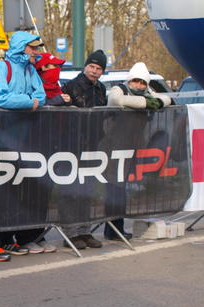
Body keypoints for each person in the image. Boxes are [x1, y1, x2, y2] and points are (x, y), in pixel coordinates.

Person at [0, 32, 52, 258]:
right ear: (21, 47)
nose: (36, 52)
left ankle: (8, 240)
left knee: (15, 191)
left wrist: (30, 102)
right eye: (33, 48)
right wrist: (28, 102)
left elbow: (41, 96)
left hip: (21, 140)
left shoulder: (30, 70)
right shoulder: (2, 69)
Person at [105, 61, 172, 240]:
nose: (139, 85)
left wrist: (154, 101)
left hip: (131, 148)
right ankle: (112, 229)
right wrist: (147, 103)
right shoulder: (119, 89)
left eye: (143, 83)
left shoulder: (147, 92)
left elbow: (167, 99)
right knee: (113, 188)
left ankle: (116, 228)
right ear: (129, 80)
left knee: (122, 189)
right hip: (112, 148)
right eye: (135, 81)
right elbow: (117, 100)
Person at [59, 49, 109, 249]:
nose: (94, 71)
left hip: (93, 145)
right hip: (70, 145)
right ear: (85, 66)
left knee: (88, 189)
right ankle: (70, 233)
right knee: (70, 190)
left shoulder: (101, 89)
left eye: (99, 68)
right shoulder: (71, 86)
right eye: (92, 66)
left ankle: (85, 231)